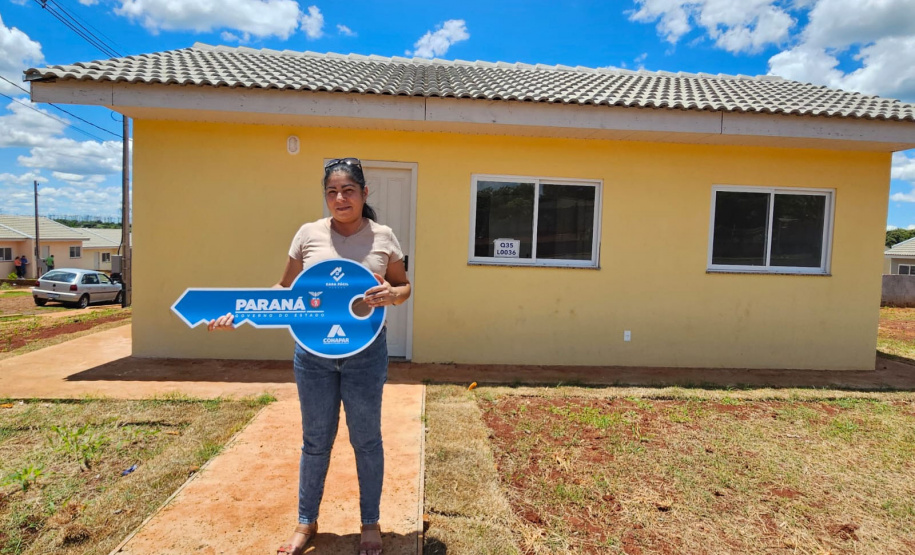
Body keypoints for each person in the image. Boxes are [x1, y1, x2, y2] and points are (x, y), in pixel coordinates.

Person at [208, 157, 411, 555]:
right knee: (315, 441)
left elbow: (403, 287)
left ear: (364, 193)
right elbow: (284, 289)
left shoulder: (383, 236)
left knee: (366, 440)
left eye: (348, 190)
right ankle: (306, 522)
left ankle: (370, 522)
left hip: (366, 354)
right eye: (332, 191)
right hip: (313, 355)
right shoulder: (308, 234)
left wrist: (393, 294)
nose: (340, 198)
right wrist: (243, 310)